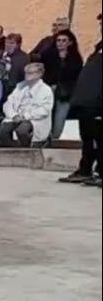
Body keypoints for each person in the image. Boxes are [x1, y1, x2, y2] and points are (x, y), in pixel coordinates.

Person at [60, 15, 102, 185]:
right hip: (86, 102)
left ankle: (99, 172)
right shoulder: (99, 47)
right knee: (87, 139)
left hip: (98, 103)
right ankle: (85, 169)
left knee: (99, 139)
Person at [0, 62, 53, 147]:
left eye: (30, 73)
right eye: (26, 73)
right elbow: (8, 103)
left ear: (39, 74)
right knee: (3, 130)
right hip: (15, 117)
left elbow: (44, 110)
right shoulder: (20, 87)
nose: (27, 75)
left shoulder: (46, 90)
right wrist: (14, 115)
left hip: (33, 119)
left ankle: (27, 151)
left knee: (22, 130)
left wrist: (24, 116)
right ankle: (12, 150)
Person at [42, 30, 82, 142]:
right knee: (46, 115)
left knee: (60, 117)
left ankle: (55, 138)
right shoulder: (48, 56)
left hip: (65, 93)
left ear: (70, 42)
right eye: (58, 40)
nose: (60, 43)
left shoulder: (76, 58)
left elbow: (75, 77)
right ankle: (44, 137)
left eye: (64, 40)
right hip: (49, 90)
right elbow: (44, 73)